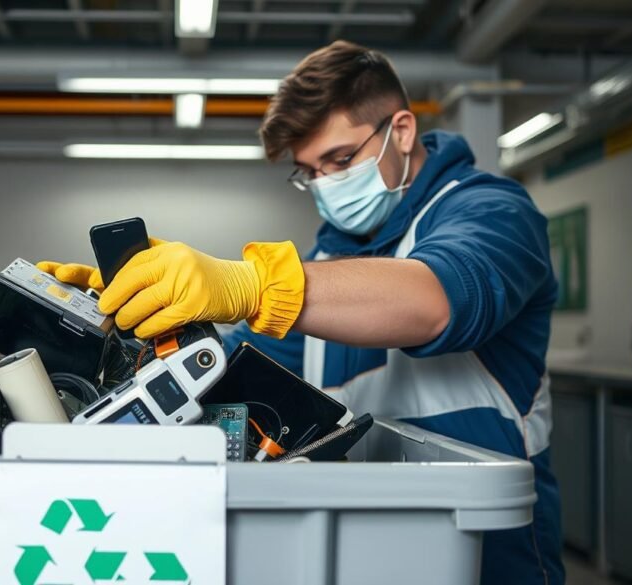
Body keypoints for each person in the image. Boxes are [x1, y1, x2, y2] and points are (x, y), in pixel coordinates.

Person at [39, 41, 562, 584]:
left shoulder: (492, 212)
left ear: (402, 131)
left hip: (484, 551)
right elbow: (239, 365)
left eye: (340, 160)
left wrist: (254, 284)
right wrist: (137, 330)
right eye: (310, 171)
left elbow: (436, 301)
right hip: (363, 544)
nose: (327, 185)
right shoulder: (328, 258)